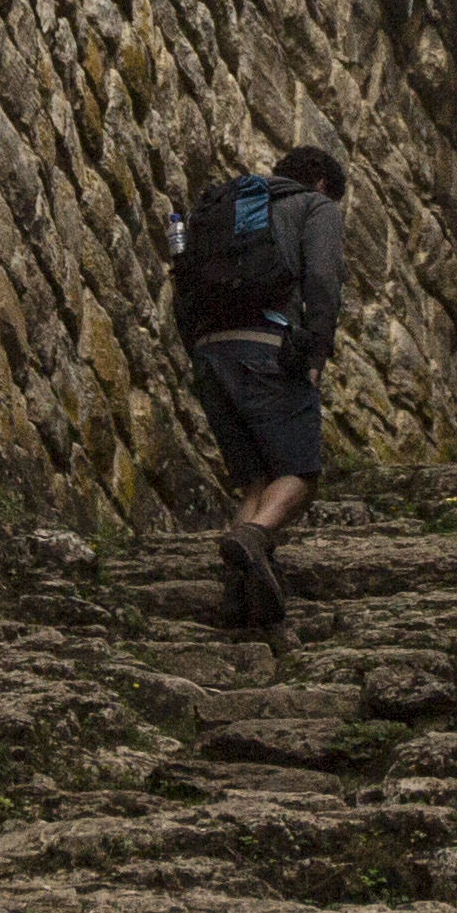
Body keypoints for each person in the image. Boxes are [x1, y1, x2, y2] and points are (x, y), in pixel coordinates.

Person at [170, 143, 350, 633]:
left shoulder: (224, 209)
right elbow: (323, 280)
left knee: (256, 480)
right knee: (299, 474)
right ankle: (253, 538)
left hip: (210, 351)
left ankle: (238, 591)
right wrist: (315, 352)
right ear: (320, 183)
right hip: (268, 347)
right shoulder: (316, 206)